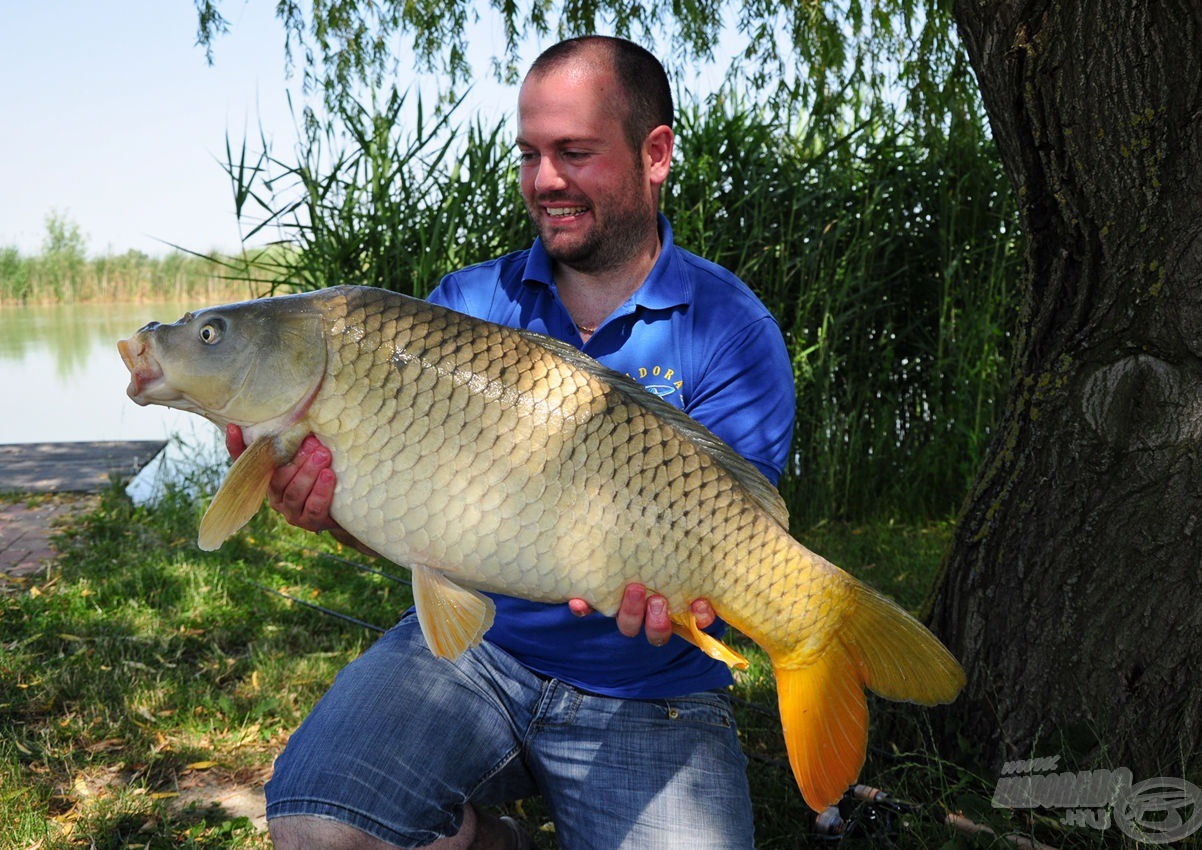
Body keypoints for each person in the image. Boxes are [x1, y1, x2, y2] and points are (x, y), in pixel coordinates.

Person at [229, 35, 796, 850]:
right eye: (529, 154)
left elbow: (737, 535)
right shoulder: (460, 308)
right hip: (476, 652)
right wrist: (328, 510)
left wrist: (690, 598)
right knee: (320, 830)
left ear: (656, 154)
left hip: (648, 686)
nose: (546, 180)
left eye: (575, 152)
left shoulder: (731, 331)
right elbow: (403, 518)